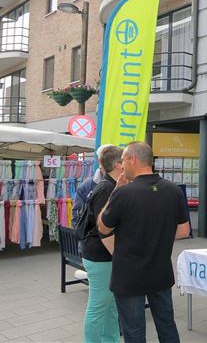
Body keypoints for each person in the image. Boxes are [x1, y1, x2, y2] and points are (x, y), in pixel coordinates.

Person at [97, 141, 191, 343]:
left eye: (123, 161)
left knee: (134, 332)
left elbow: (103, 227)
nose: (121, 166)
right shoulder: (174, 190)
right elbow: (184, 231)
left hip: (129, 276)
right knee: (167, 325)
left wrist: (115, 191)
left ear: (133, 159)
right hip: (160, 274)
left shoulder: (123, 193)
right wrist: (158, 234)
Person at [81, 145, 123, 343]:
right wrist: (119, 256)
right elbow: (103, 228)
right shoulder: (107, 188)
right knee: (99, 306)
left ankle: (111, 340)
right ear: (117, 164)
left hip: (103, 255)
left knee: (110, 305)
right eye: (125, 160)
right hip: (101, 256)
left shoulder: (111, 185)